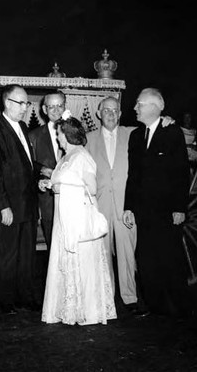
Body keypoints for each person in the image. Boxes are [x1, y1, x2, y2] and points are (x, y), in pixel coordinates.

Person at [41, 111, 117, 325]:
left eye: (59, 134)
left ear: (67, 135)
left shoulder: (83, 156)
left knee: (82, 262)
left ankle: (88, 310)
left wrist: (64, 186)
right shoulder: (66, 157)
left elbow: (91, 188)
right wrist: (50, 184)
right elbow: (63, 181)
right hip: (63, 217)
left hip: (78, 218)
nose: (57, 138)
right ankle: (69, 308)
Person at [123, 88, 191, 317]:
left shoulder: (172, 133)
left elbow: (182, 173)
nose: (135, 108)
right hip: (144, 212)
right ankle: (155, 307)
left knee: (171, 259)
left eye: (139, 104)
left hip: (167, 212)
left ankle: (180, 307)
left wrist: (180, 208)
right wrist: (129, 207)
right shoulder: (135, 136)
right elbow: (133, 176)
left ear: (154, 107)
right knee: (146, 260)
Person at [0, 84, 40, 315]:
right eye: (22, 103)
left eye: (27, 103)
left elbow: (25, 165)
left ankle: (25, 296)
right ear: (7, 103)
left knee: (26, 254)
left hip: (27, 205)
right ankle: (5, 299)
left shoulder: (24, 127)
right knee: (6, 255)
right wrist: (3, 206)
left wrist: (44, 173)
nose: (26, 108)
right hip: (8, 207)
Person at [85, 96, 139, 313]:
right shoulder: (88, 140)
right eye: (106, 110)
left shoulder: (133, 135)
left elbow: (156, 128)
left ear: (120, 113)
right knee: (103, 254)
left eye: (114, 110)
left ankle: (130, 298)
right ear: (99, 114)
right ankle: (106, 299)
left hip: (127, 207)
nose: (110, 114)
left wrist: (167, 120)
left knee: (127, 254)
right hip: (100, 206)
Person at [29, 91, 66, 249]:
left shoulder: (76, 133)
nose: (56, 110)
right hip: (47, 202)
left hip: (72, 201)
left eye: (60, 106)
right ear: (44, 109)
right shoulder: (33, 136)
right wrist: (42, 175)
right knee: (53, 248)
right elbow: (29, 167)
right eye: (52, 107)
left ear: (65, 107)